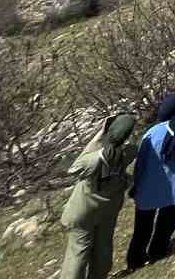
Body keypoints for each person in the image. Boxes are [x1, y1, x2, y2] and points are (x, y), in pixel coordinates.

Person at [126, 92, 175, 270]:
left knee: (142, 228)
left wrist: (135, 185)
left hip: (148, 188)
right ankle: (158, 249)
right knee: (168, 220)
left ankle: (135, 261)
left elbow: (141, 165)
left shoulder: (151, 134)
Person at [59, 113, 136, 279]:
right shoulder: (129, 153)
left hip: (82, 211)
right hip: (108, 209)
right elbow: (124, 153)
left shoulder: (93, 160)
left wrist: (98, 135)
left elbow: (73, 168)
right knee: (103, 249)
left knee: (78, 254)